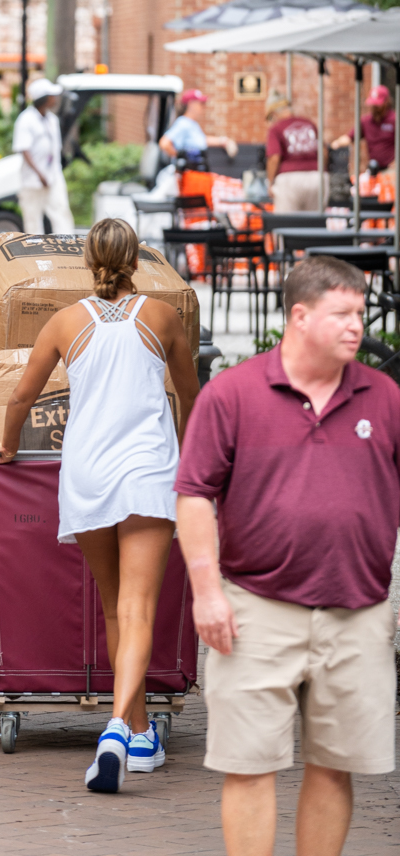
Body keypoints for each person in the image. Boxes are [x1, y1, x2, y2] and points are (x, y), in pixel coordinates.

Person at [175, 256, 400, 856]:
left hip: (359, 610)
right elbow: (194, 496)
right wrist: (207, 593)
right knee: (248, 763)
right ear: (299, 316)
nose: (358, 325)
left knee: (335, 764)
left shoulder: (386, 398)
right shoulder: (233, 394)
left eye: (361, 312)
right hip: (255, 608)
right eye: (343, 314)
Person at [0, 218, 198, 792]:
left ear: (88, 261)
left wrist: (6, 444)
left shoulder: (64, 321)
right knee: (139, 608)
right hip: (146, 472)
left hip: (88, 473)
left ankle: (138, 728)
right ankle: (116, 731)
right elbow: (190, 397)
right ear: (136, 261)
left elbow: (23, 394)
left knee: (113, 606)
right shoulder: (161, 317)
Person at [12, 77, 75, 234]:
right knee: (33, 219)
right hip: (33, 180)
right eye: (52, 96)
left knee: (61, 213)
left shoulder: (52, 120)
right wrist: (40, 174)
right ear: (45, 99)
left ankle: (67, 250)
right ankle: (35, 253)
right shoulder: (26, 120)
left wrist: (51, 173)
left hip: (53, 176)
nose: (55, 99)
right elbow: (24, 149)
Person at [264, 95, 321, 212]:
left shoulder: (276, 128)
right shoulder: (309, 123)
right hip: (317, 177)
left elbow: (274, 158)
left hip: (289, 179)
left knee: (286, 224)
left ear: (274, 114)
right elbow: (323, 152)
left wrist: (270, 183)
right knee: (314, 224)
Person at [159, 89, 237, 166]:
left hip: (195, 170)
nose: (203, 106)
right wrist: (181, 157)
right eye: (200, 103)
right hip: (187, 173)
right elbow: (164, 143)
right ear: (191, 104)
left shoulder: (192, 123)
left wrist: (223, 141)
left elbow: (202, 140)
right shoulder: (183, 123)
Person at [331, 83, 396, 174]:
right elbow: (349, 137)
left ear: (386, 102)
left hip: (392, 170)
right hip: (373, 169)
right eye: (373, 104)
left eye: (378, 104)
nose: (375, 107)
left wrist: (396, 163)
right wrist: (336, 144)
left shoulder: (394, 120)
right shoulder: (366, 121)